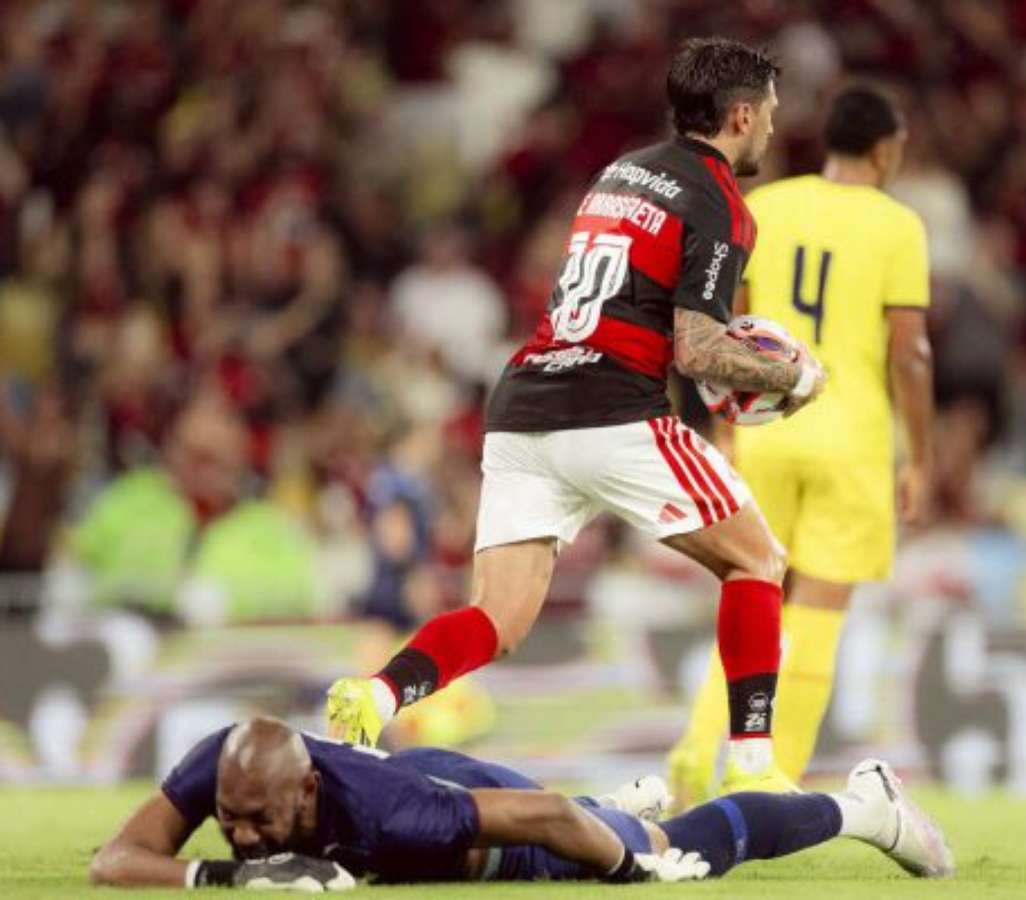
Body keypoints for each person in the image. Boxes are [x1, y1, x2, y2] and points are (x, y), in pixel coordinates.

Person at [327, 37, 827, 792]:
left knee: (498, 617)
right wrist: (793, 375)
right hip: (612, 410)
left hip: (524, 407)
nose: (773, 127)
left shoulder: (619, 174)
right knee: (757, 560)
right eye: (769, 113)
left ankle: (377, 695)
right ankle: (754, 764)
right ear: (741, 116)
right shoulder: (721, 203)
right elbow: (697, 350)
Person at [668, 85, 935, 803]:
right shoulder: (898, 225)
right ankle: (769, 786)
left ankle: (697, 747)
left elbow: (731, 324)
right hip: (852, 439)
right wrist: (922, 458)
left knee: (750, 593)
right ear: (885, 148)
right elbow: (911, 353)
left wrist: (729, 429)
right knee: (817, 618)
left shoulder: (771, 206)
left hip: (768, 432)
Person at [89, 717, 953, 889]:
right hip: (423, 777)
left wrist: (627, 868)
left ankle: (864, 808)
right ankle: (611, 803)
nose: (241, 833)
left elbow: (539, 818)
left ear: (308, 789)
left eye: (260, 823)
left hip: (500, 823)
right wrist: (224, 877)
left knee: (671, 844)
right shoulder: (227, 766)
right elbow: (114, 862)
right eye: (229, 818)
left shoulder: (399, 816)